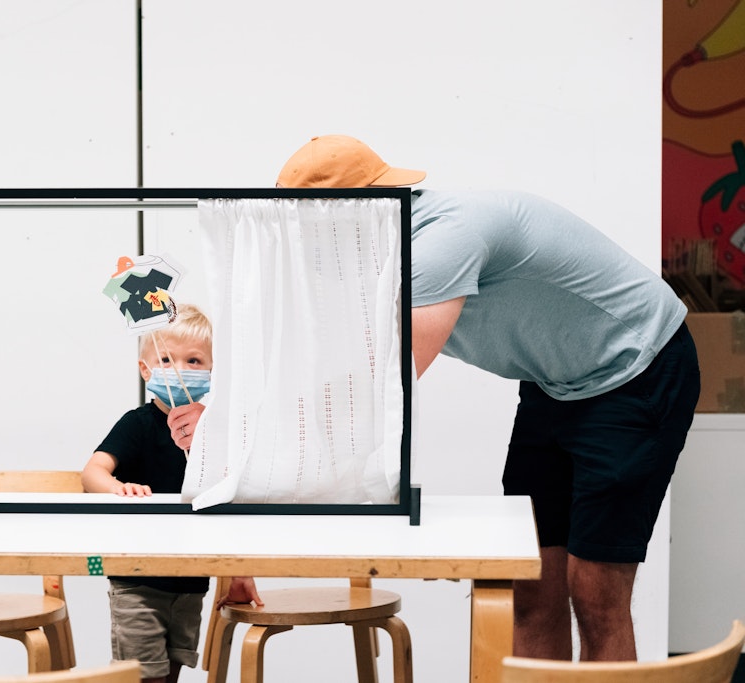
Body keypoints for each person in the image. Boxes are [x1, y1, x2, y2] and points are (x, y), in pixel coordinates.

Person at [276, 134, 700, 662]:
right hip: (555, 384)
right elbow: (335, 360)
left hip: (638, 368)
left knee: (595, 593)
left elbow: (390, 384)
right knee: (529, 584)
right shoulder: (380, 250)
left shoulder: (440, 241)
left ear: (360, 210)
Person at [82, 303, 261, 683]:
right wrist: (118, 487)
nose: (180, 369)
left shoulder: (216, 436)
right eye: (167, 358)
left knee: (173, 670)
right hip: (135, 580)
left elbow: (228, 504)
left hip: (192, 583)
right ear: (146, 369)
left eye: (195, 360)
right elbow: (91, 473)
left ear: (215, 372)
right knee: (145, 676)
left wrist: (238, 570)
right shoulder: (137, 425)